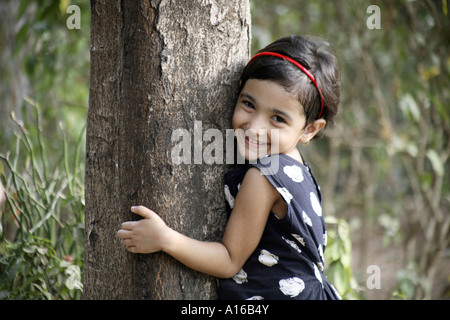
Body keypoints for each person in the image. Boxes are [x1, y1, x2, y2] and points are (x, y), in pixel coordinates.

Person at [117, 35, 342, 300]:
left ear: (310, 130)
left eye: (278, 119)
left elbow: (229, 260)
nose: (255, 127)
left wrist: (165, 239)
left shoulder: (264, 175)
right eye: (249, 104)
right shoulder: (295, 166)